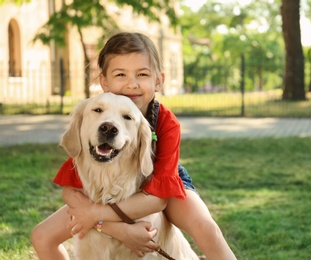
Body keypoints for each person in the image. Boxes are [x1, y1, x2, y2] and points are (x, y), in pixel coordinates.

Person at [31, 31, 236, 260]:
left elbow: (158, 199)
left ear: (159, 80)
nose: (132, 83)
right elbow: (71, 189)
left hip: (160, 185)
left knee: (208, 229)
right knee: (42, 236)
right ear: (104, 81)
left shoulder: (167, 123)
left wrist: (95, 215)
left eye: (142, 74)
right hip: (111, 188)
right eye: (121, 74)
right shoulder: (96, 121)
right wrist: (113, 227)